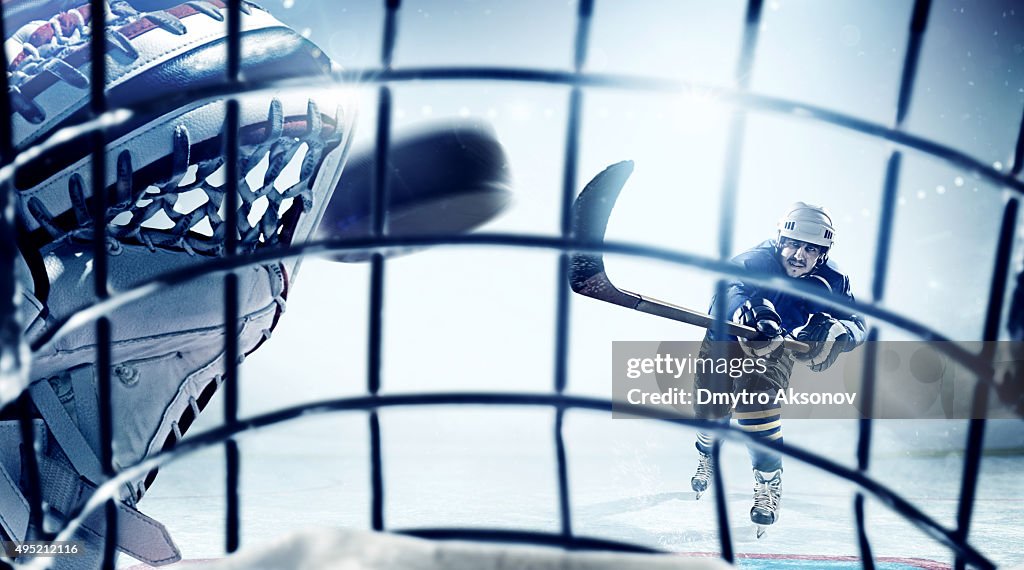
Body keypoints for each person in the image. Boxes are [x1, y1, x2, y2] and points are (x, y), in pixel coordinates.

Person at [689, 202, 867, 535]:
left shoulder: (832, 281)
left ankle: (769, 480)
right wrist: (746, 309)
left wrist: (841, 334)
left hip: (776, 348)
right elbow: (723, 293)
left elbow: (857, 322)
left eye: (811, 249)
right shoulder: (754, 261)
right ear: (779, 239)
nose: (799, 255)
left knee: (756, 409)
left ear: (823, 254)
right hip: (724, 340)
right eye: (794, 243)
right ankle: (706, 454)